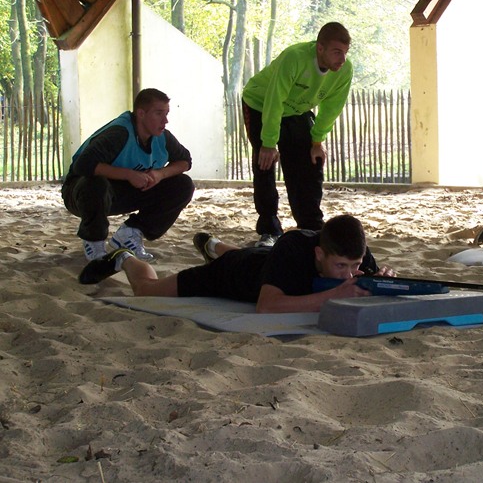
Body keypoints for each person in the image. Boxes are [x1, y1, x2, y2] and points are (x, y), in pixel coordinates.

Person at [78, 214, 396, 314]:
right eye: (340, 267)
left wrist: (381, 281)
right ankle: (125, 258)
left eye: (354, 266)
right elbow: (267, 306)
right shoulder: (294, 246)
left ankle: (213, 245)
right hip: (231, 275)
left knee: (256, 257)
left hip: (263, 261)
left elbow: (364, 275)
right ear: (319, 254)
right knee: (148, 290)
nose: (349, 274)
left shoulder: (354, 251)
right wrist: (332, 295)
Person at [242, 22, 354, 248]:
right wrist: (269, 143)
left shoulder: (344, 70)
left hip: (296, 110)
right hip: (260, 103)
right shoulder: (294, 57)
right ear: (320, 48)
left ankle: (311, 226)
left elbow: (332, 108)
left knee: (311, 160)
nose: (342, 59)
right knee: (265, 162)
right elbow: (275, 99)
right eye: (336, 52)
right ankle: (269, 230)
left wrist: (317, 141)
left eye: (345, 52)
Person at [62, 88, 194, 263]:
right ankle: (94, 242)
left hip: (122, 193)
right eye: (159, 113)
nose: (165, 120)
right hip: (81, 194)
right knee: (95, 184)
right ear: (141, 114)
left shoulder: (162, 137)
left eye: (166, 114)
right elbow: (83, 165)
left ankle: (130, 233)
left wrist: (160, 174)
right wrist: (129, 175)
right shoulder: (119, 133)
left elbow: (185, 161)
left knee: (183, 185)